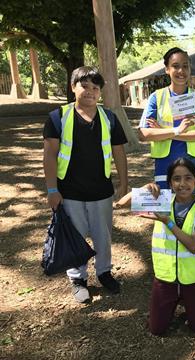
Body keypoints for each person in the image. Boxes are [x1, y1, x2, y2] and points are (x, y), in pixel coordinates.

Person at [43, 66, 128, 303]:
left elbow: (119, 152)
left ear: (100, 92)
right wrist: (52, 190)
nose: (90, 91)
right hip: (69, 193)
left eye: (95, 87)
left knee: (103, 235)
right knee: (75, 237)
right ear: (73, 87)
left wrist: (124, 184)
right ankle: (78, 279)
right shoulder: (58, 117)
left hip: (101, 192)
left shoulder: (109, 117)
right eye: (85, 86)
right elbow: (49, 154)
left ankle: (104, 272)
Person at [117, 158, 195, 335]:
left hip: (192, 278)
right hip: (165, 278)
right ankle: (174, 302)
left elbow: (193, 246)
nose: (182, 184)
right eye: (176, 179)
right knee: (157, 329)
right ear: (170, 183)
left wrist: (168, 222)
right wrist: (145, 189)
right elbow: (121, 203)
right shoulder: (162, 200)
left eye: (188, 178)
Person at [138, 47, 195, 189]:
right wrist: (177, 130)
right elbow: (144, 134)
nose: (181, 71)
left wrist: (165, 133)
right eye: (175, 66)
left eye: (185, 66)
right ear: (167, 69)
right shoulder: (156, 98)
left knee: (193, 209)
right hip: (165, 168)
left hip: (194, 168)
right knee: (167, 209)